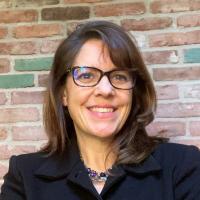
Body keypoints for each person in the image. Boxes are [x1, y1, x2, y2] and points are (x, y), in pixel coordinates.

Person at [1, 20, 200, 200]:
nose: (105, 90)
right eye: (86, 76)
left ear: (134, 92)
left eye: (120, 76)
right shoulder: (25, 176)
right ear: (63, 94)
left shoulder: (182, 166)